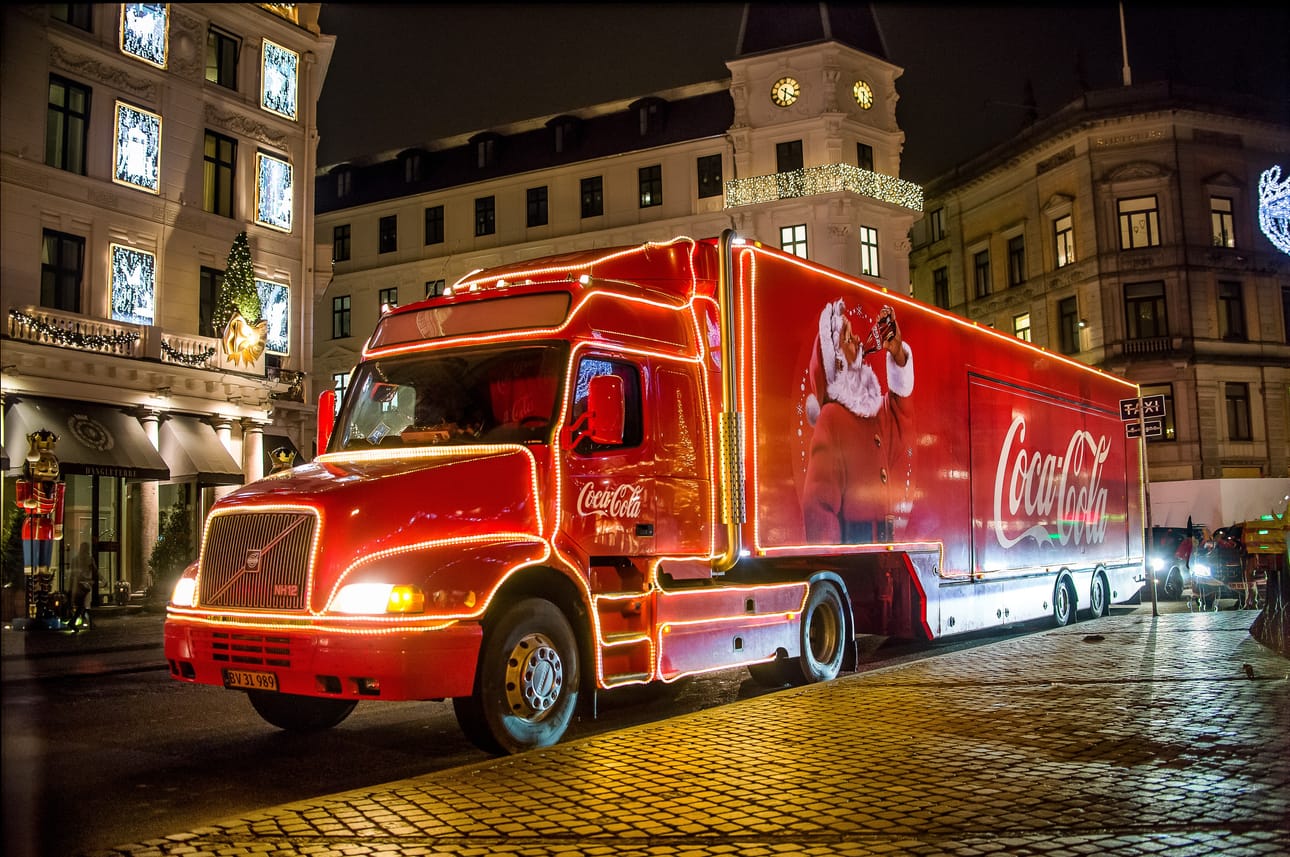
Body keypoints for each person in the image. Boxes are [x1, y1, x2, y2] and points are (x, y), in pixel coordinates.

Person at [801, 300, 915, 544]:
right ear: (837, 361)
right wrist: (836, 560)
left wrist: (897, 355)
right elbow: (818, 507)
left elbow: (900, 419)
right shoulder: (832, 418)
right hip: (856, 553)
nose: (858, 339)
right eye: (848, 337)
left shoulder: (871, 414)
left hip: (878, 553)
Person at [69, 542, 98, 631]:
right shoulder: (89, 559)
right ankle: (75, 622)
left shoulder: (75, 559)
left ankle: (89, 622)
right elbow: (95, 571)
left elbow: (72, 574)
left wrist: (71, 586)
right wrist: (101, 580)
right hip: (86, 584)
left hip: (77, 584)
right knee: (84, 605)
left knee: (83, 605)